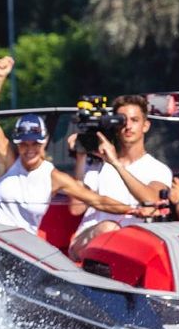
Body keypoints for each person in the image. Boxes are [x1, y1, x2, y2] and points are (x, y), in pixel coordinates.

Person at [0, 56, 148, 242]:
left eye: (35, 143)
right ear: (17, 144)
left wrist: (132, 209)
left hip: (23, 249)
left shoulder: (53, 176)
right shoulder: (7, 160)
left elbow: (96, 200)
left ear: (43, 143)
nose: (29, 149)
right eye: (24, 143)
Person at [67, 93, 171, 259]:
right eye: (122, 120)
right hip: (88, 243)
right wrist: (80, 156)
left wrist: (116, 164)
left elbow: (151, 202)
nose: (128, 126)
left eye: (134, 120)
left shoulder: (158, 169)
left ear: (146, 126)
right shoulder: (96, 165)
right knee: (109, 228)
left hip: (132, 247)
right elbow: (76, 208)